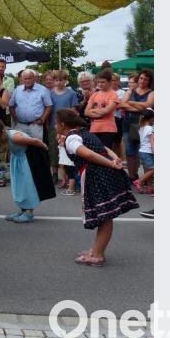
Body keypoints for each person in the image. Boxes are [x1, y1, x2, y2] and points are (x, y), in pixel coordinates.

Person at [56, 108, 139, 266]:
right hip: (105, 173)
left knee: (105, 216)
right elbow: (104, 149)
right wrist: (116, 160)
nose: (55, 126)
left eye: (56, 123)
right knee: (105, 216)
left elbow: (87, 154)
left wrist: (111, 163)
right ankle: (96, 250)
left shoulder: (72, 138)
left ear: (62, 124)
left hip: (97, 175)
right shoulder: (84, 132)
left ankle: (97, 255)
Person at [0, 117, 54, 223]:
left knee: (27, 185)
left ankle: (29, 213)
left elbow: (35, 141)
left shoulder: (15, 137)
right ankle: (23, 210)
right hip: (17, 159)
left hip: (27, 159)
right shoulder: (1, 136)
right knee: (19, 186)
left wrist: (44, 148)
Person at [119, 69, 154, 182]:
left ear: (150, 81)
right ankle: (132, 176)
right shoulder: (131, 90)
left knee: (145, 151)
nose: (142, 81)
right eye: (141, 78)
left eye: (146, 79)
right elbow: (121, 104)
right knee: (130, 152)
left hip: (143, 124)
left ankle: (147, 179)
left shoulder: (152, 93)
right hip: (128, 123)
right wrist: (138, 107)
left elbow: (148, 105)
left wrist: (131, 102)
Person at [47, 70, 80, 180]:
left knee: (66, 151)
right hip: (53, 126)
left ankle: (67, 176)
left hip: (67, 127)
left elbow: (74, 110)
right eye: (56, 80)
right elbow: (48, 110)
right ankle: (55, 173)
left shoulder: (71, 93)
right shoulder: (50, 93)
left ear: (65, 81)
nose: (58, 82)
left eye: (61, 80)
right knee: (53, 150)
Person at [8, 69, 52, 140]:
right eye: (25, 79)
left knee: (36, 148)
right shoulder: (17, 90)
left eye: (29, 78)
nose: (27, 81)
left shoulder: (43, 89)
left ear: (34, 78)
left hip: (36, 125)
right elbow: (11, 105)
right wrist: (15, 118)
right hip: (20, 125)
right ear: (22, 79)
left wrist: (42, 119)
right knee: (20, 147)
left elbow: (49, 106)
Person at [85, 69, 120, 148]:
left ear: (110, 82)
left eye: (103, 82)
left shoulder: (113, 95)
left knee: (106, 153)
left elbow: (107, 111)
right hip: (94, 128)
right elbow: (86, 112)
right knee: (95, 153)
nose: (100, 84)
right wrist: (99, 113)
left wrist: (93, 111)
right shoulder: (95, 95)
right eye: (98, 82)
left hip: (107, 129)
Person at [133, 108, 155, 202]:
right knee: (153, 169)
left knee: (149, 169)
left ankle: (150, 188)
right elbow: (152, 141)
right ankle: (140, 181)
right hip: (148, 151)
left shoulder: (141, 127)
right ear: (150, 118)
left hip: (142, 151)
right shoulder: (150, 128)